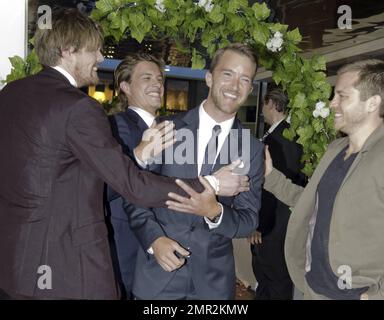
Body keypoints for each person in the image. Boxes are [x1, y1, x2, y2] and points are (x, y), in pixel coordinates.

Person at [0, 9, 249, 300]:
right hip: (67, 271)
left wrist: (138, 156)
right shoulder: (78, 108)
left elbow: (64, 173)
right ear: (69, 50)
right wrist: (212, 184)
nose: (100, 58)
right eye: (94, 50)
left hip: (14, 264)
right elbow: (133, 185)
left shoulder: (10, 94)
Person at [126, 43, 264, 300]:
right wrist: (154, 240)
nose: (235, 86)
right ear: (209, 78)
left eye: (245, 79)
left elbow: (248, 221)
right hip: (158, 276)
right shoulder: (167, 128)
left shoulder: (251, 149)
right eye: (228, 74)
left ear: (251, 88)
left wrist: (214, 212)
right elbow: (134, 191)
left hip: (212, 285)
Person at [264, 59, 384, 300]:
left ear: (372, 103)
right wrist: (270, 177)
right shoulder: (335, 149)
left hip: (354, 294)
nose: (332, 103)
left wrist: (383, 295)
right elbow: (312, 204)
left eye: (342, 96)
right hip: (313, 288)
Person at [105, 53, 166, 299]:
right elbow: (104, 186)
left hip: (166, 249)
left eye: (160, 79)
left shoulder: (175, 129)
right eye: (147, 77)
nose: (157, 84)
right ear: (125, 86)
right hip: (127, 247)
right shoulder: (113, 127)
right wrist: (139, 154)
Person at [248, 88, 307, 300]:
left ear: (272, 104)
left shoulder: (278, 140)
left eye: (264, 105)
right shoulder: (291, 135)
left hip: (274, 224)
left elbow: (271, 189)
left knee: (274, 280)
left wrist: (258, 225)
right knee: (270, 280)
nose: (262, 111)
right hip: (284, 221)